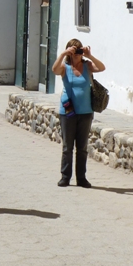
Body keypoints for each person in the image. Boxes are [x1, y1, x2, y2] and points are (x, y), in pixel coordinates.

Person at [51, 39, 106, 188]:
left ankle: (81, 178)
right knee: (67, 147)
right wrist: (63, 54)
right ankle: (65, 176)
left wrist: (90, 55)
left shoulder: (87, 66)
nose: (76, 54)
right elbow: (54, 70)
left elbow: (102, 68)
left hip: (85, 112)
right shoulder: (65, 67)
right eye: (73, 51)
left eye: (78, 51)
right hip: (68, 111)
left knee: (82, 148)